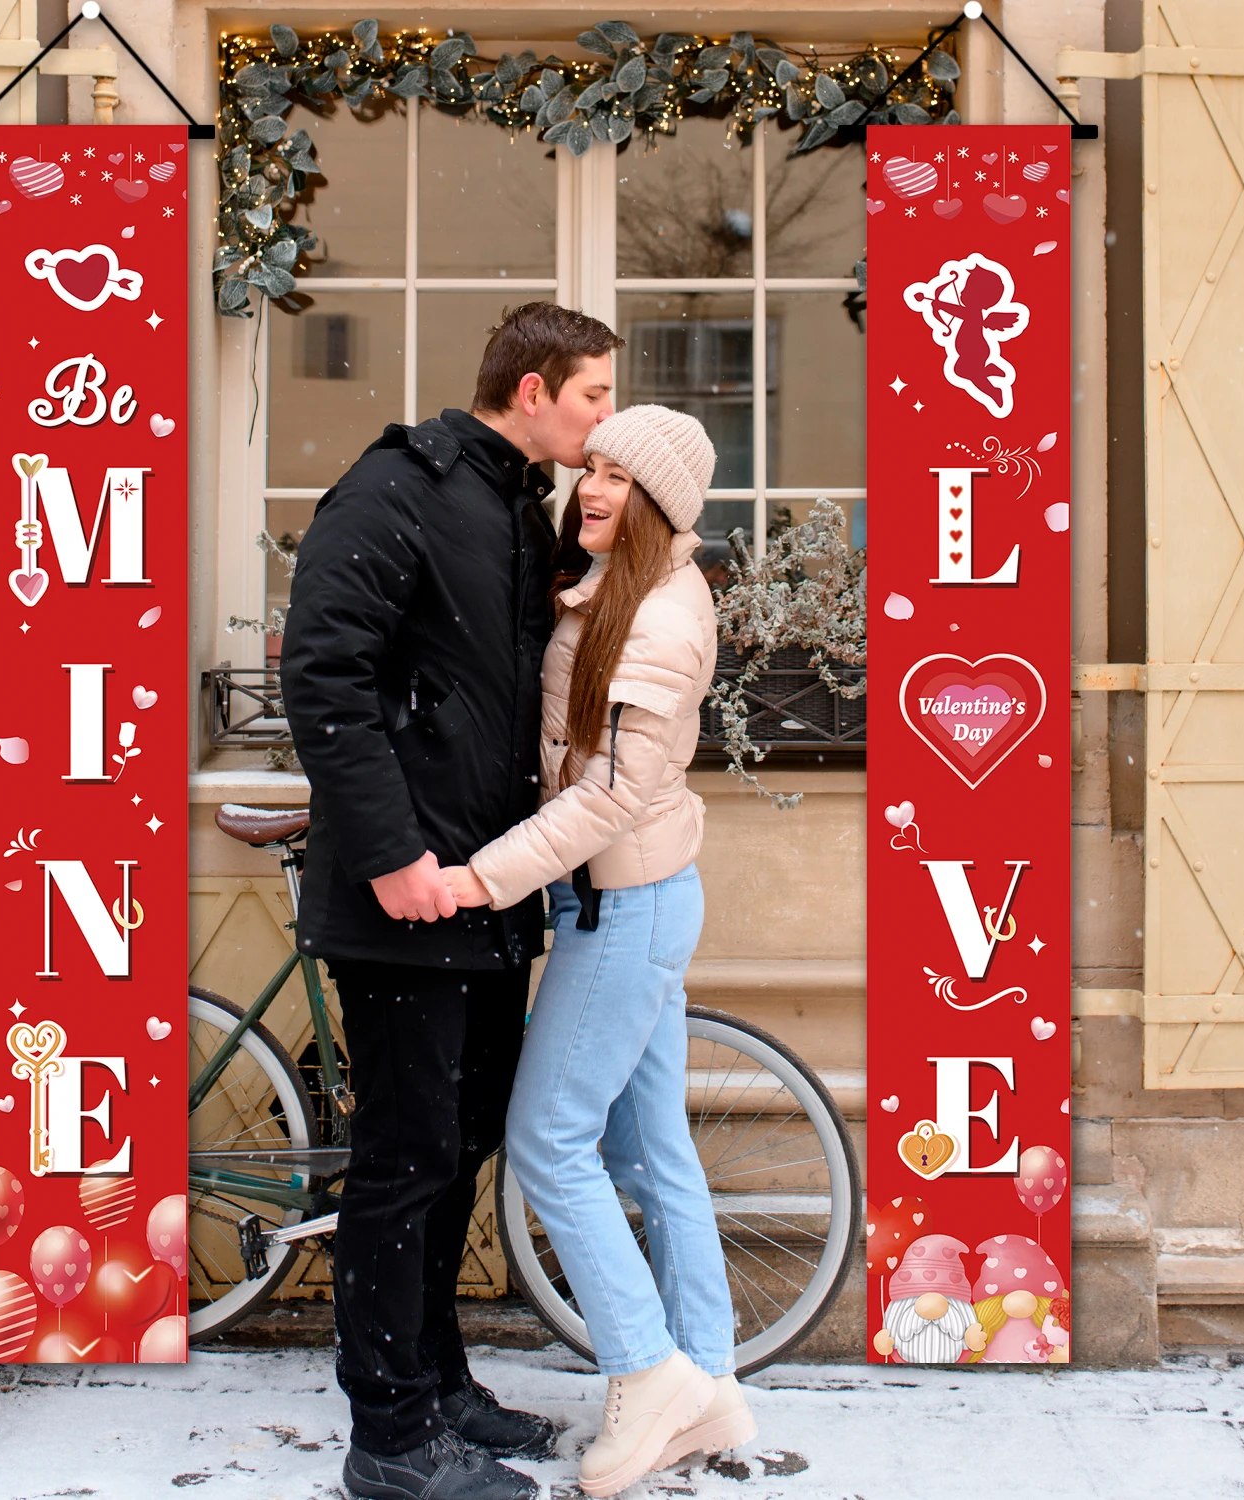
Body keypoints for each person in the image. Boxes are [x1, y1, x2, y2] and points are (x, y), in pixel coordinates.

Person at [280, 303, 623, 1500]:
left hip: (486, 893)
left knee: (459, 1150)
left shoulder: (514, 508)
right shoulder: (400, 488)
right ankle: (388, 1439)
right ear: (531, 390)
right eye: (591, 396)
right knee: (404, 1158)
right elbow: (322, 667)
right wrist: (387, 857)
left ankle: (438, 1391)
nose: (602, 419)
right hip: (407, 897)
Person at [442, 406, 757, 1498]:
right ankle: (707, 1382)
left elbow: (613, 792)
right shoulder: (613, 595)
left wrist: (481, 877)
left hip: (620, 909)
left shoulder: (659, 618)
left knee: (549, 1141)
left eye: (621, 476)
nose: (592, 487)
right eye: (592, 468)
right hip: (632, 901)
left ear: (663, 500)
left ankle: (645, 1371)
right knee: (650, 1147)